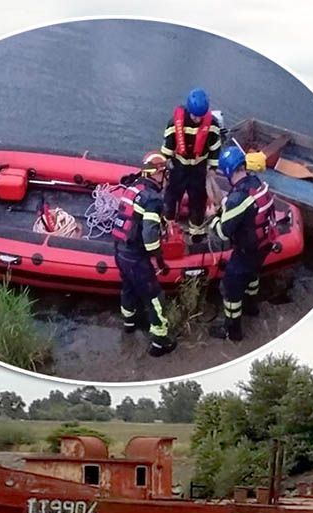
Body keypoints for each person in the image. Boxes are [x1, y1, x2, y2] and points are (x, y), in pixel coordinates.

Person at [207, 143, 278, 342]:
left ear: (228, 171)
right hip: (263, 246)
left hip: (247, 251)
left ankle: (232, 331)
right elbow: (243, 208)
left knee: (230, 288)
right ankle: (251, 307)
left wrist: (212, 217)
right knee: (252, 276)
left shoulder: (238, 199)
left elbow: (222, 233)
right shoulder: (256, 183)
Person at [111, 152, 176, 357]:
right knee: (155, 296)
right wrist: (160, 261)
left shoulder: (133, 188)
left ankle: (129, 323)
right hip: (135, 256)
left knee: (128, 288)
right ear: (157, 173)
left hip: (119, 250)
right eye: (165, 173)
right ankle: (160, 342)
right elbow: (149, 236)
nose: (166, 177)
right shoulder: (153, 199)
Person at [160, 87, 222, 245]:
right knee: (172, 197)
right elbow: (167, 149)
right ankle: (168, 227)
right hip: (178, 167)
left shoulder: (212, 125)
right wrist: (166, 165)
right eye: (195, 116)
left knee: (198, 200)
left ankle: (197, 233)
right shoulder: (174, 123)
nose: (197, 120)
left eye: (200, 117)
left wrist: (212, 169)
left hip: (198, 168)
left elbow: (215, 149)